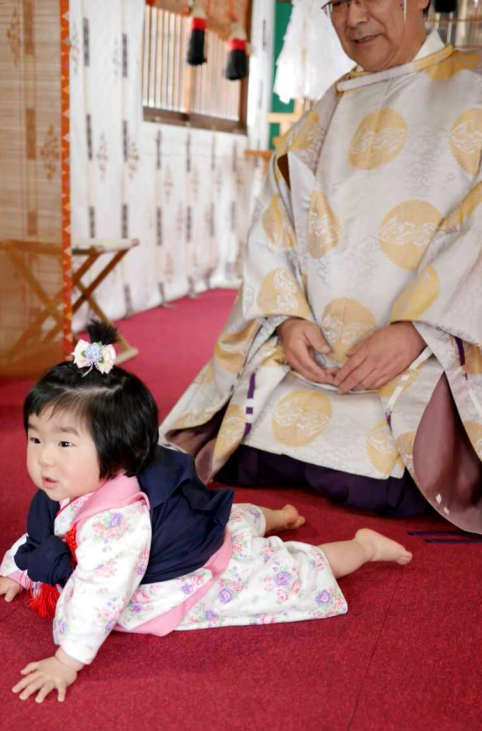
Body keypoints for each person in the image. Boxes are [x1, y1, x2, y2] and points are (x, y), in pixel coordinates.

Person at [161, 0, 482, 533]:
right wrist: (287, 321)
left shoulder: (473, 89)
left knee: (388, 462)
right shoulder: (326, 110)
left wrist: (417, 333)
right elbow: (275, 223)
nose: (353, 18)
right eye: (337, 3)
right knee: (254, 435)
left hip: (427, 349)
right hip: (317, 350)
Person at [0, 321, 412, 704]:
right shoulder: (71, 480)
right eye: (36, 439)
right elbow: (43, 531)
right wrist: (18, 573)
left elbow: (100, 593)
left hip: (186, 571)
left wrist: (67, 661)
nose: (45, 458)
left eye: (64, 443)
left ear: (118, 454)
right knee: (232, 523)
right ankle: (273, 516)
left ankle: (359, 547)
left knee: (285, 574)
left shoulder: (115, 523)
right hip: (181, 526)